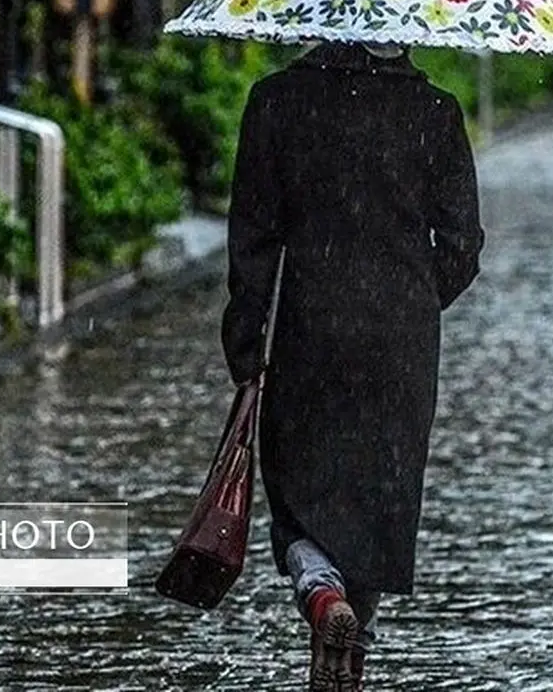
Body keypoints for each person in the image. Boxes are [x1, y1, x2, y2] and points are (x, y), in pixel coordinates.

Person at [222, 41, 484, 691]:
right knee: (380, 497)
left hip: (309, 326)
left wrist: (246, 337)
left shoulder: (276, 101)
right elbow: (463, 245)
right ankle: (350, 642)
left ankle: (321, 595)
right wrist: (417, 299)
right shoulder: (434, 112)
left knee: (299, 491)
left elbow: (252, 235)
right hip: (399, 339)